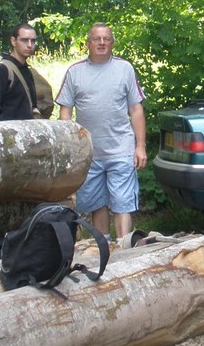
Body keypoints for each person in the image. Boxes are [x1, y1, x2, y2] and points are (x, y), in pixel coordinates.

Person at [56, 23, 147, 242]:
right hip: (89, 153)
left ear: (112, 43)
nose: (102, 43)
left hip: (122, 149)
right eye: (97, 39)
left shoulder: (124, 68)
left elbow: (136, 109)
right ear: (88, 43)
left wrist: (140, 146)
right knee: (97, 203)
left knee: (122, 204)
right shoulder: (75, 72)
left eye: (106, 39)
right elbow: (65, 111)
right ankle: (103, 247)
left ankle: (124, 247)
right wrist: (73, 146)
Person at [0, 22, 40, 259]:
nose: (29, 45)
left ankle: (17, 247)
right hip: (3, 149)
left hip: (23, 148)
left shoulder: (26, 71)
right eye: (24, 40)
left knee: (20, 199)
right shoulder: (0, 72)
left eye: (33, 41)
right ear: (13, 41)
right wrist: (5, 144)